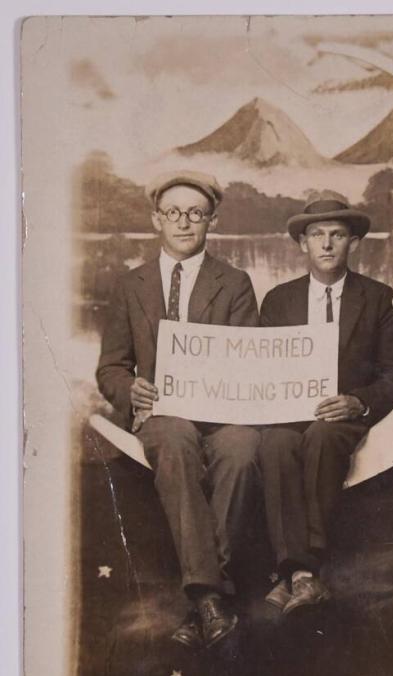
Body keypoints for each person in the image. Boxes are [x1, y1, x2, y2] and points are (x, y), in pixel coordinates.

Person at [96, 170, 260, 648]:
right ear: (156, 220)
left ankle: (202, 601)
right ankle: (212, 597)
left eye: (196, 213)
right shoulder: (131, 285)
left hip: (222, 412)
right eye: (173, 213)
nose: (185, 223)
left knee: (244, 447)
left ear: (211, 220)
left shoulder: (234, 283)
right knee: (176, 439)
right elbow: (111, 368)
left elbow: (248, 362)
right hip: (164, 416)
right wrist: (132, 391)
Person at [259, 190, 393, 614]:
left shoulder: (380, 298)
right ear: (302, 243)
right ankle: (302, 576)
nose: (326, 244)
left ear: (354, 243)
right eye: (317, 235)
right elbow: (260, 372)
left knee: (324, 436)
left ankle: (299, 571)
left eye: (337, 235)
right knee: (274, 444)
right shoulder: (278, 301)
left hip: (342, 416)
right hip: (289, 413)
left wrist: (357, 402)